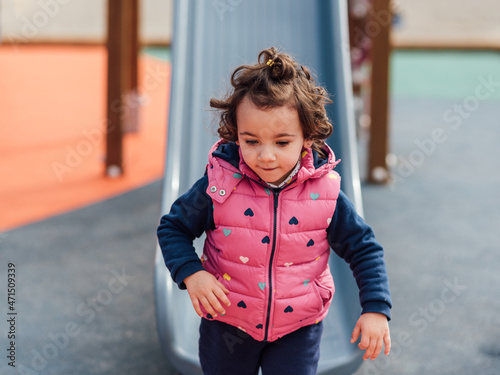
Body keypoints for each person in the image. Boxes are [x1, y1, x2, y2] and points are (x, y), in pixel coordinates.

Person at [157, 47, 392, 375]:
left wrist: (376, 309)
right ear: (236, 134)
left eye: (282, 143)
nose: (265, 156)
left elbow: (364, 249)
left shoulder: (325, 193)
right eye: (251, 141)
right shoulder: (219, 185)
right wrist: (192, 273)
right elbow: (173, 228)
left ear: (307, 138)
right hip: (228, 323)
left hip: (297, 326)